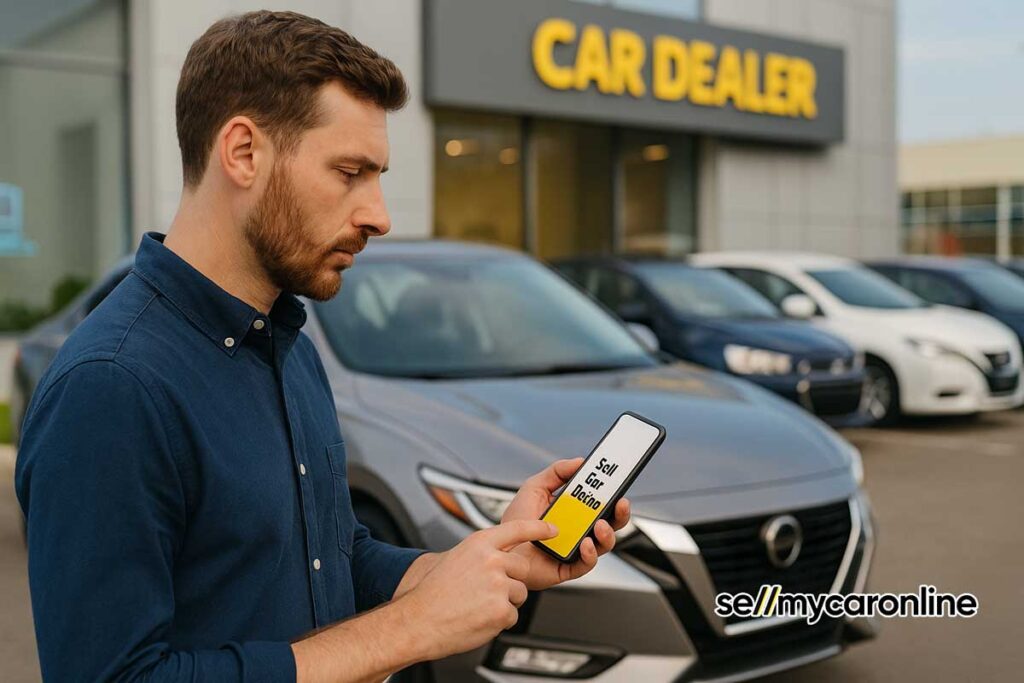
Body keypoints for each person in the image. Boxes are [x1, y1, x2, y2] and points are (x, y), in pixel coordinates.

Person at [14, 10, 630, 683]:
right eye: (350, 172)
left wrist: (487, 560)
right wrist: (408, 630)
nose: (380, 215)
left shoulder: (289, 347)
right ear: (243, 152)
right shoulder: (112, 387)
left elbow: (332, 559)